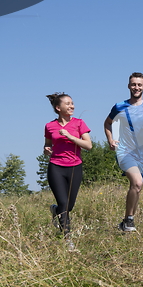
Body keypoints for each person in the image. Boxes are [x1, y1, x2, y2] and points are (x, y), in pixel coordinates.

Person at [104, 72, 143, 232]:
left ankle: (126, 221)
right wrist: (110, 139)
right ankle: (130, 221)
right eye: (133, 84)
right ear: (128, 86)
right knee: (137, 182)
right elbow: (107, 123)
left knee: (137, 187)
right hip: (125, 151)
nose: (136, 87)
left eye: (139, 85)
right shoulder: (119, 106)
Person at [44, 92, 92, 236]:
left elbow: (88, 145)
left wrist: (70, 136)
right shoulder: (49, 126)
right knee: (64, 203)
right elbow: (47, 144)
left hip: (75, 167)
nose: (72, 106)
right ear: (58, 108)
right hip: (56, 167)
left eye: (72, 103)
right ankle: (67, 237)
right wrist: (46, 150)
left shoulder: (79, 123)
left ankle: (55, 210)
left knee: (69, 205)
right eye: (68, 104)